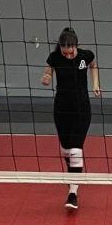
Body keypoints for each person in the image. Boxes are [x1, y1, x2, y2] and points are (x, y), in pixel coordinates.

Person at [41, 27, 100, 210]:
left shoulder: (85, 55)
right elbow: (49, 71)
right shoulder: (54, 57)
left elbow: (93, 65)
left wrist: (95, 84)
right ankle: (72, 173)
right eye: (64, 52)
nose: (67, 56)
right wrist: (46, 77)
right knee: (66, 150)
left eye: (70, 52)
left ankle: (73, 193)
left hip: (82, 108)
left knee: (75, 150)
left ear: (77, 46)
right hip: (61, 108)